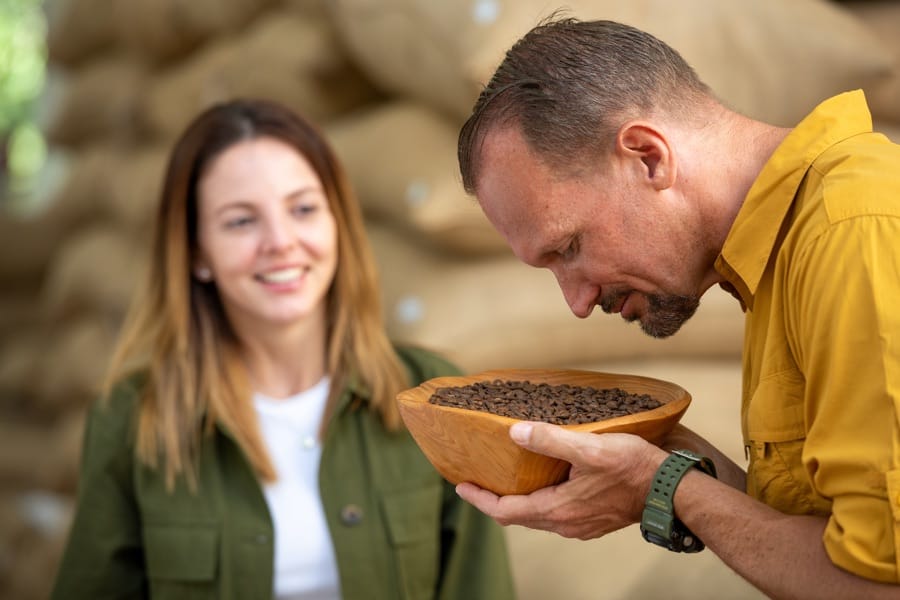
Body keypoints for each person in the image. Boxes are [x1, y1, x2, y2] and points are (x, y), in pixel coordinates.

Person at [455, 16, 900, 599]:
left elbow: (877, 586)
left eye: (569, 248)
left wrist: (658, 483)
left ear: (646, 157)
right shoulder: (787, 250)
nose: (578, 303)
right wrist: (674, 461)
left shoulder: (852, 232)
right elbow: (829, 536)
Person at [51, 98, 515, 600]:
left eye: (302, 209)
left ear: (336, 223)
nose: (280, 241)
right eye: (240, 221)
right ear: (198, 253)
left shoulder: (437, 401)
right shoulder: (132, 418)